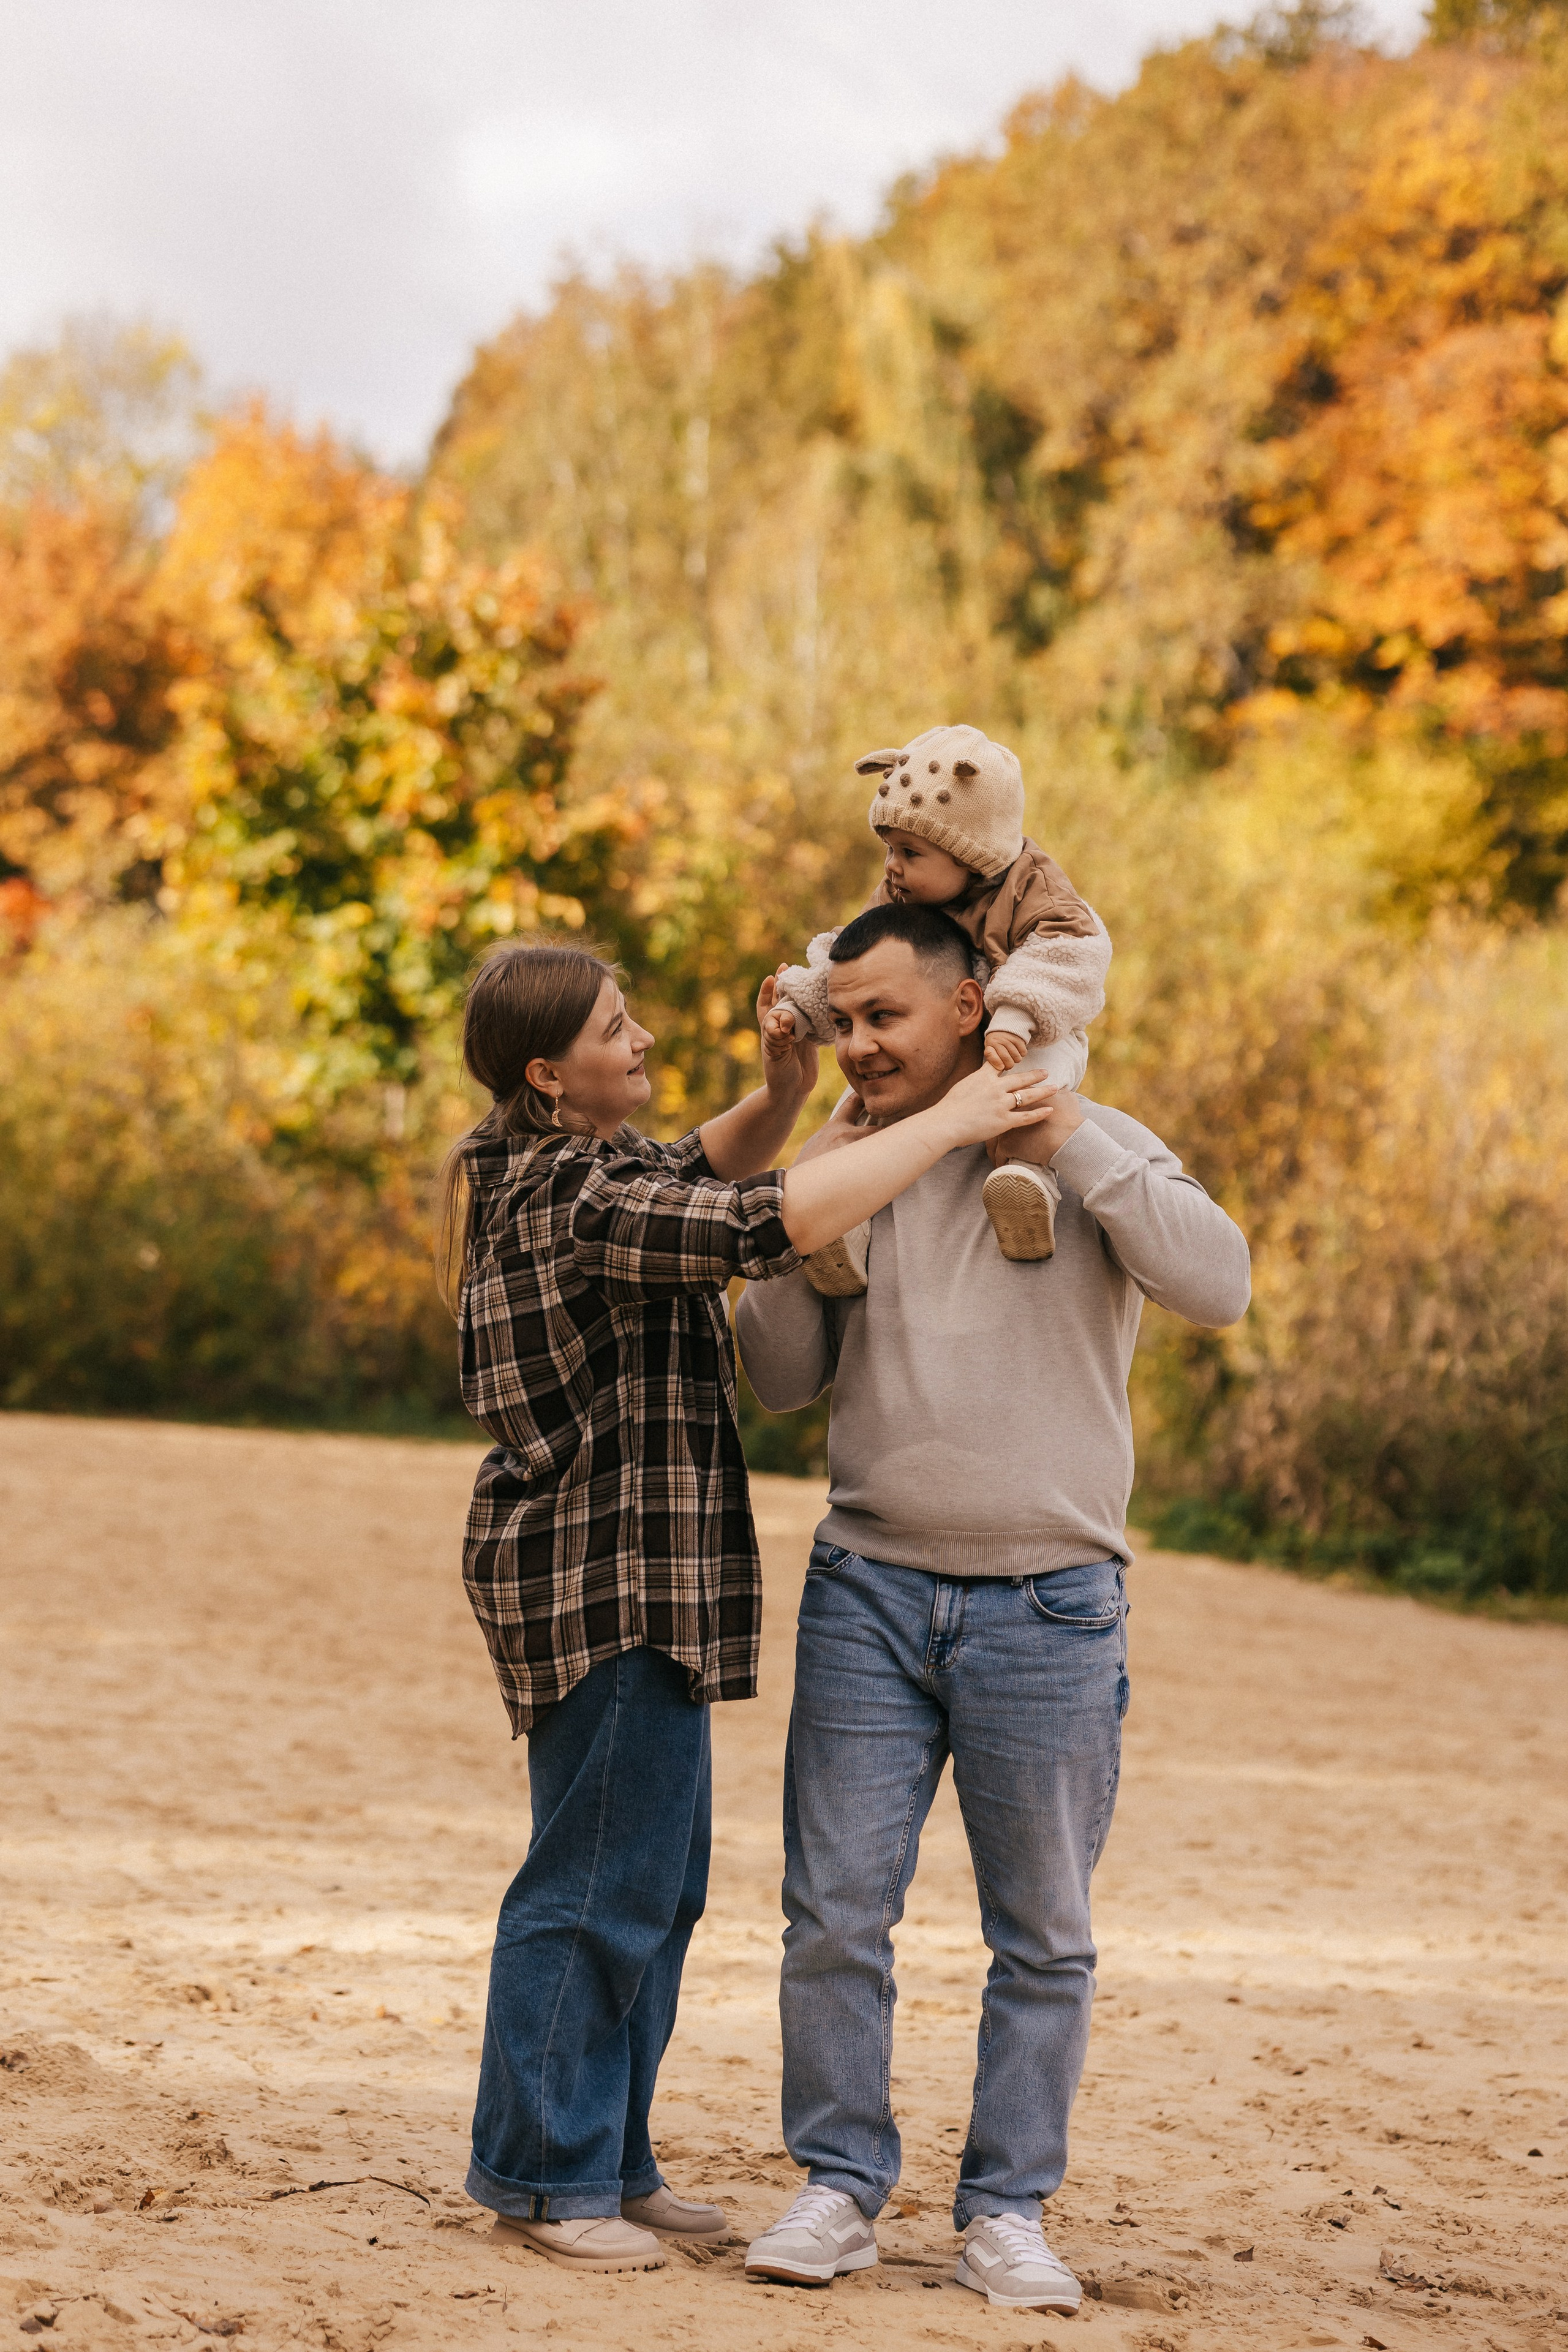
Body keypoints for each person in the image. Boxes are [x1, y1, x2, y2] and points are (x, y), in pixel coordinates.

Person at [435, 937, 1056, 2281]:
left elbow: (707, 1168)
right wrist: (948, 1116)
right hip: (597, 1580)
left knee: (654, 1889)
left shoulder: (579, 1166)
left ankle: (606, 2155)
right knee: (594, 1884)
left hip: (640, 1580)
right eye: (617, 1028)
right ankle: (544, 2173)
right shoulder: (567, 1195)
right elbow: (767, 1222)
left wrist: (788, 1091)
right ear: (551, 1076)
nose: (644, 1038)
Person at [735, 900, 1251, 2315]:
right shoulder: (858, 1152)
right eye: (840, 1020)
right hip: (868, 1594)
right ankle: (838, 2184)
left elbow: (1219, 1281)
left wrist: (1063, 1137)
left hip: (1051, 1608)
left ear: (972, 1007)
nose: (855, 1045)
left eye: (882, 1016)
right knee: (833, 1914)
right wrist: (803, 1196)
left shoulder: (1087, 1137)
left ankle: (1005, 2209)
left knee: (1043, 1936)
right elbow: (778, 1376)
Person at [767, 723, 1110, 1283]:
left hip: (1036, 1031)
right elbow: (850, 956)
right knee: (850, 1116)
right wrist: (800, 1009)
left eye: (909, 851)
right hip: (955, 1041)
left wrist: (1017, 1016)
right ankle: (839, 1225)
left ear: (968, 853)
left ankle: (1025, 1181)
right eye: (889, 850)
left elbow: (1068, 954)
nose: (892, 866)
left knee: (1027, 1092)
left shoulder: (1034, 889)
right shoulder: (903, 892)